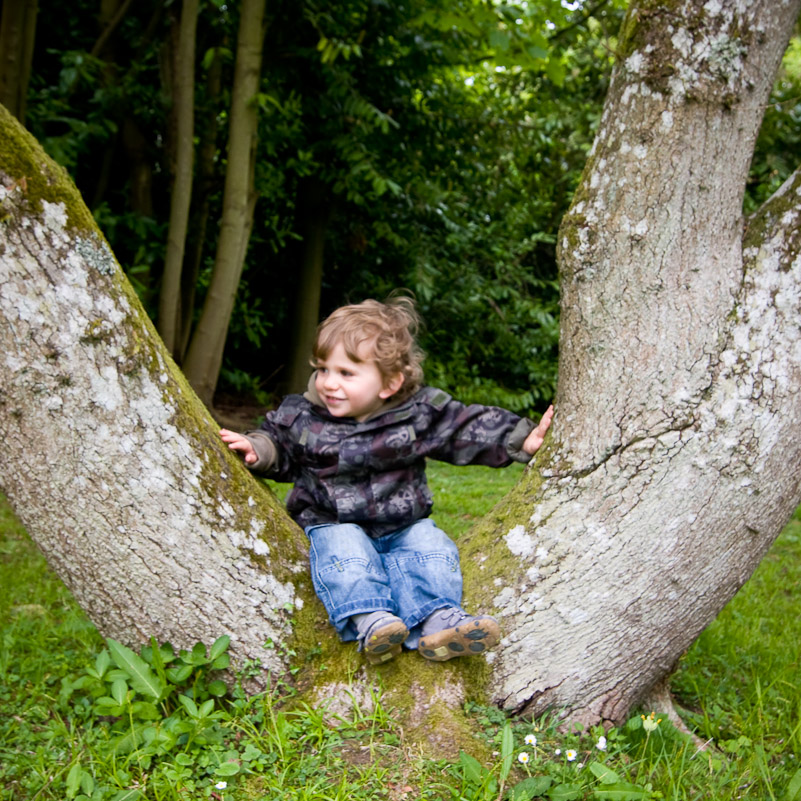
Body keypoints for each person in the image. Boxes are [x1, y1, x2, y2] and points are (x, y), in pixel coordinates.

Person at [220, 295, 553, 665]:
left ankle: (439, 620)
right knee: (344, 554)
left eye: (347, 373)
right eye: (323, 368)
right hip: (333, 521)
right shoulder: (303, 415)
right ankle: (372, 621)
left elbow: (465, 428)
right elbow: (277, 443)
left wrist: (520, 438)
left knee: (430, 546)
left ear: (389, 383)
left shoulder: (416, 414)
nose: (329, 383)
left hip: (401, 522)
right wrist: (256, 448)